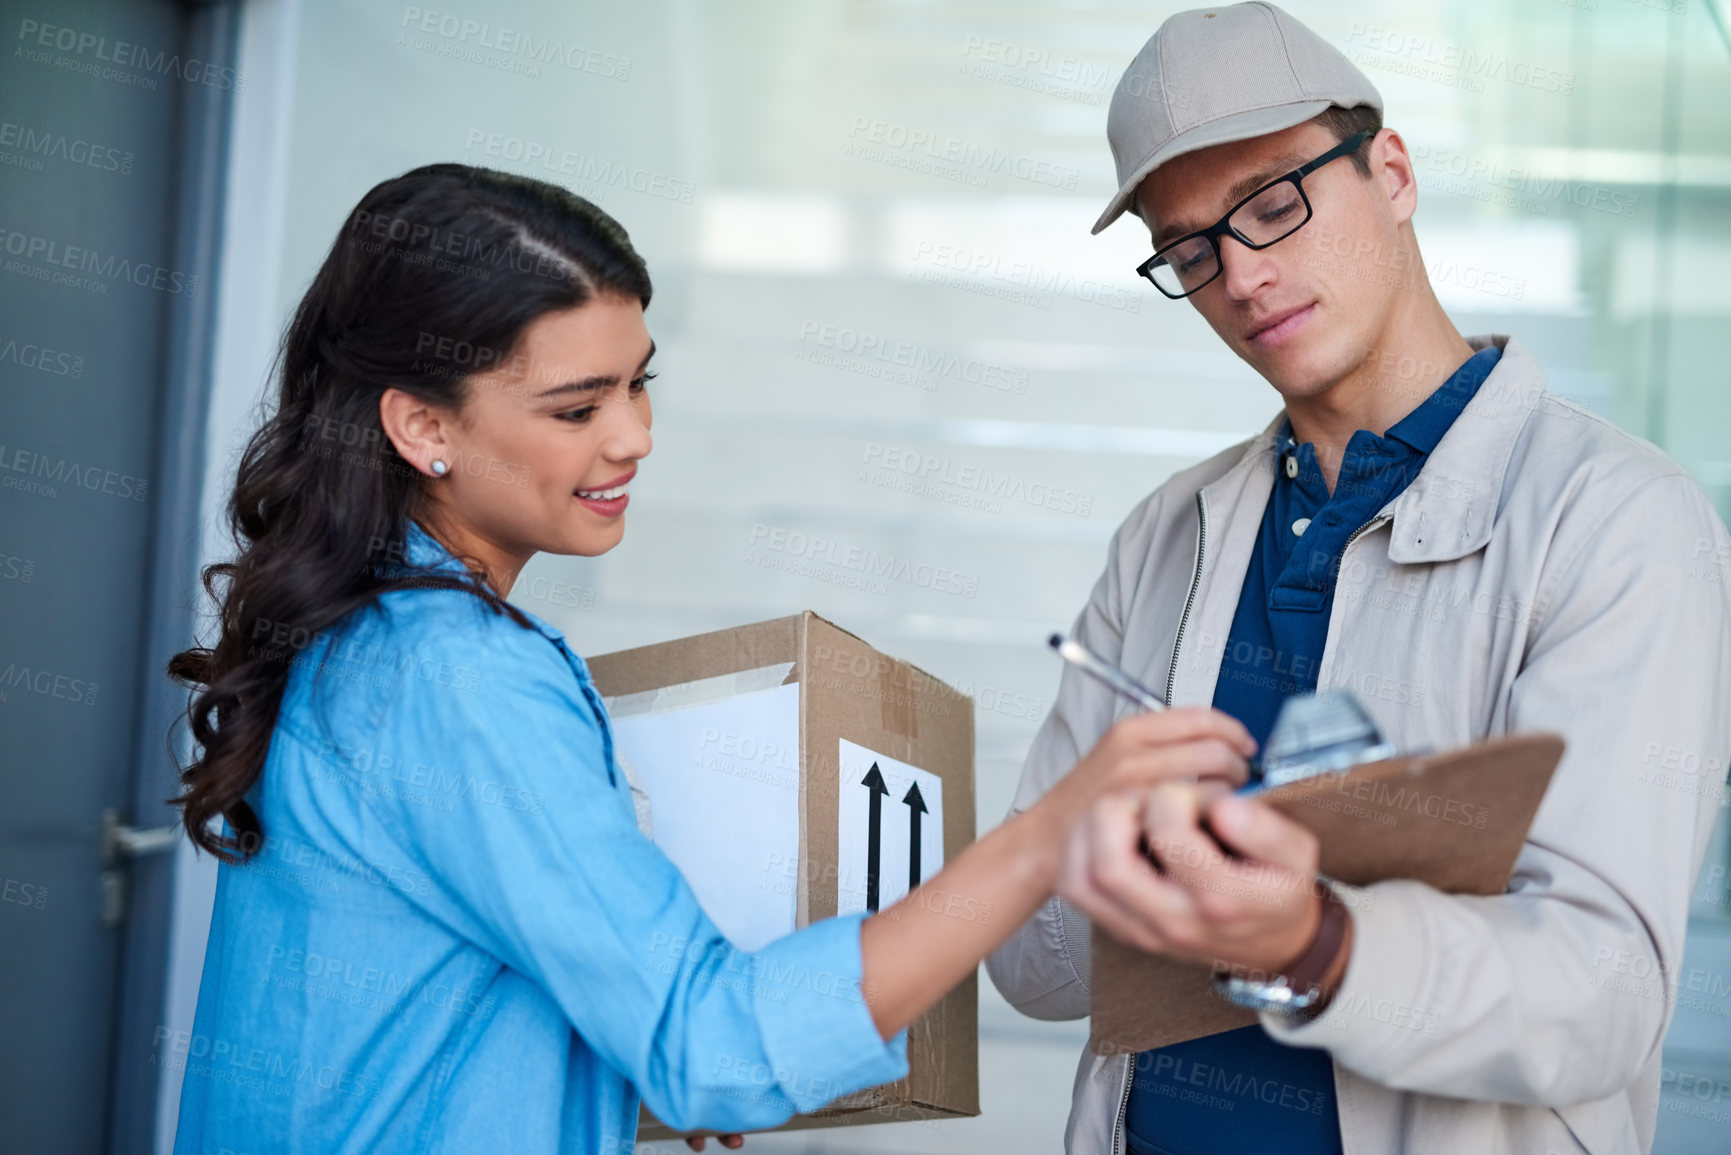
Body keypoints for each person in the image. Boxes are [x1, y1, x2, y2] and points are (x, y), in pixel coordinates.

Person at [165, 163, 1259, 1155]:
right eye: (577, 406)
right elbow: (715, 1053)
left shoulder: (377, 638)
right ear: (421, 428)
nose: (633, 435)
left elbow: (437, 1023)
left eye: (639, 383)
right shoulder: (460, 680)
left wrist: (619, 1076)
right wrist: (1043, 840)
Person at [985, 4, 1731, 1154]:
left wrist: (1315, 941)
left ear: (1391, 172)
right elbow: (1032, 970)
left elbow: (1605, 991)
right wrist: (1104, 843)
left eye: (1277, 204)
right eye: (1191, 249)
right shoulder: (1167, 536)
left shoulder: (1618, 520)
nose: (1242, 274)